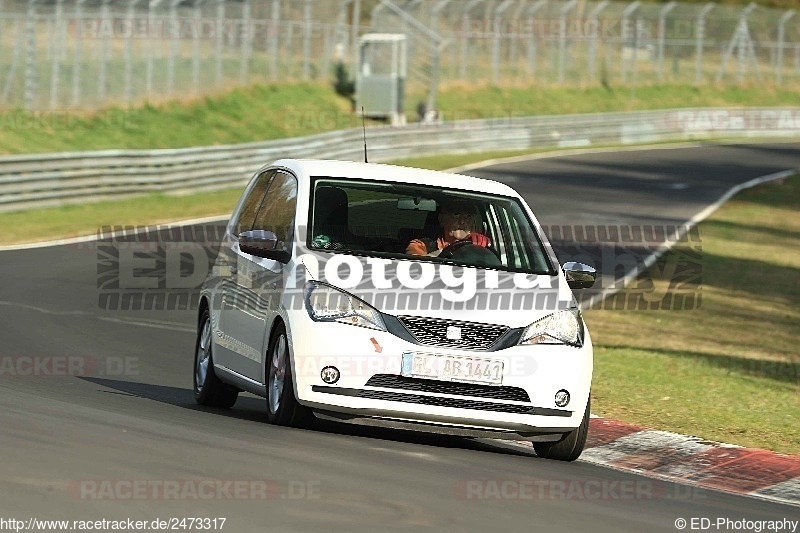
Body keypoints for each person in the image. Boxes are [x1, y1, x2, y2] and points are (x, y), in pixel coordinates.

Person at [406, 199, 490, 257]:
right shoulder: (422, 245)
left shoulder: (477, 243)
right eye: (456, 215)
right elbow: (415, 270)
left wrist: (482, 247)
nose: (462, 222)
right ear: (441, 219)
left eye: (467, 216)